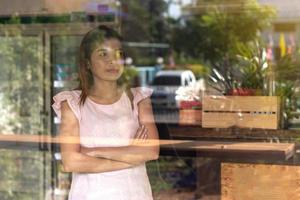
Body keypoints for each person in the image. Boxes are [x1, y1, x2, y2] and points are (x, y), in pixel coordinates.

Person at [52, 25, 160, 200]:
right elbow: (71, 162)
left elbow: (151, 152)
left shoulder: (138, 99)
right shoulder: (71, 103)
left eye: (118, 54)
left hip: (135, 194)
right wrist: (132, 154)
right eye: (103, 54)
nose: (113, 61)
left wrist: (93, 152)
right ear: (87, 62)